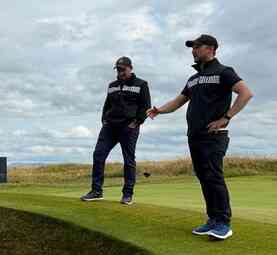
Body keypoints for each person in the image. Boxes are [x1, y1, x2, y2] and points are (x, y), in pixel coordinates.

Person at [147, 34, 253, 241]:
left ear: (211, 48)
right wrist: (159, 110)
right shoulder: (193, 79)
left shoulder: (224, 71)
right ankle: (213, 219)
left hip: (214, 135)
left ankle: (223, 223)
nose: (193, 50)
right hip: (194, 135)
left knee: (213, 176)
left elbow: (245, 93)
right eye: (192, 47)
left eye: (197, 47)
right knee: (203, 176)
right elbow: (179, 100)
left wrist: (226, 117)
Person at [81, 57, 151, 205]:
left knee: (128, 160)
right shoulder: (112, 85)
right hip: (110, 127)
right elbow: (107, 105)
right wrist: (104, 120)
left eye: (123, 69)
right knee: (98, 155)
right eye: (118, 70)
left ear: (130, 68)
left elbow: (145, 107)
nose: (120, 72)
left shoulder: (141, 84)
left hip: (129, 127)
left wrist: (137, 122)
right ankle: (96, 191)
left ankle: (127, 194)